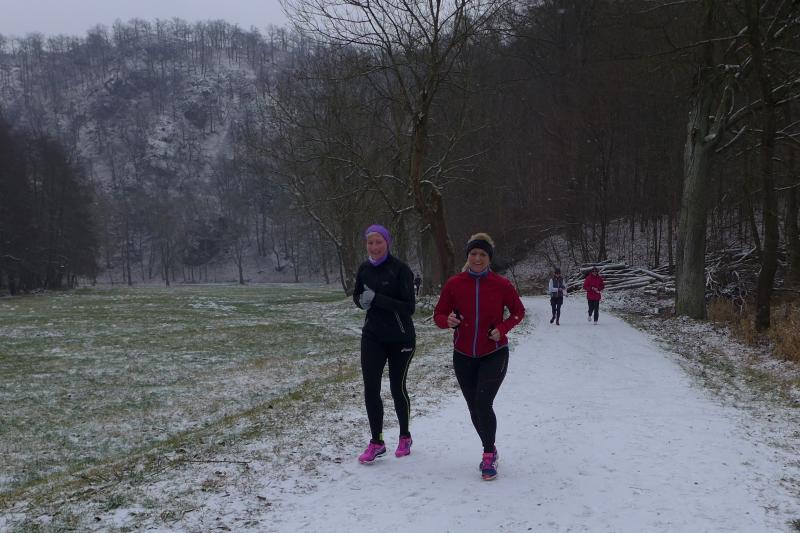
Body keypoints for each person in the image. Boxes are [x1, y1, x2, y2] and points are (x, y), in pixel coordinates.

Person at [433, 233, 525, 481]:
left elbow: (518, 312)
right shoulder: (454, 283)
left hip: (494, 353)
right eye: (473, 253)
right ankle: (490, 447)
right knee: (474, 406)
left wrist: (502, 329)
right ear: (468, 256)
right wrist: (447, 320)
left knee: (483, 403)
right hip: (463, 355)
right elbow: (439, 314)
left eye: (482, 254)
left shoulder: (501, 285)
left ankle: (488, 453)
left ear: (489, 258)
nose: (477, 258)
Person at [352, 224, 417, 464]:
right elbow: (357, 294)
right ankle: (377, 442)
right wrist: (361, 301)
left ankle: (405, 436)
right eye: (370, 242)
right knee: (371, 389)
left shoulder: (400, 269)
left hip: (401, 338)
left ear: (387, 243)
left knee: (397, 388)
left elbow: (409, 307)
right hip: (373, 337)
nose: (374, 246)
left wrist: (377, 299)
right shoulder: (364, 269)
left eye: (378, 242)